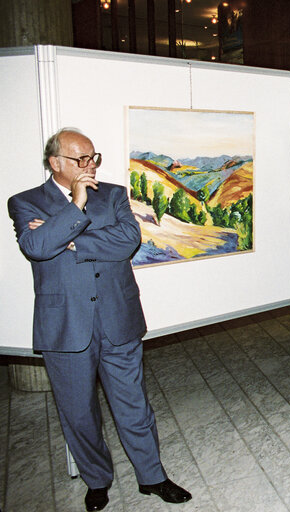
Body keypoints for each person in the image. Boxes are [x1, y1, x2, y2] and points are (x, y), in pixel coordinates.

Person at [7, 128, 191, 511]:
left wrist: (69, 238)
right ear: (55, 163)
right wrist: (75, 207)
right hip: (65, 327)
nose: (90, 166)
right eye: (81, 160)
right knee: (78, 413)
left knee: (134, 406)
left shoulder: (113, 194)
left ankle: (152, 477)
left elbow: (127, 241)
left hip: (118, 318)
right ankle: (97, 480)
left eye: (93, 157)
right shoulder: (24, 202)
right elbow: (37, 248)